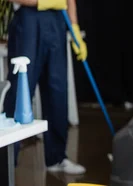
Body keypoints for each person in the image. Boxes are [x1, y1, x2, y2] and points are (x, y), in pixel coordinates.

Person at [4, 0, 87, 174]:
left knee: (57, 89)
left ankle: (57, 157)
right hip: (28, 22)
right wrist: (43, 1)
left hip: (56, 22)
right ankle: (6, 162)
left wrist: (75, 28)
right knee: (21, 90)